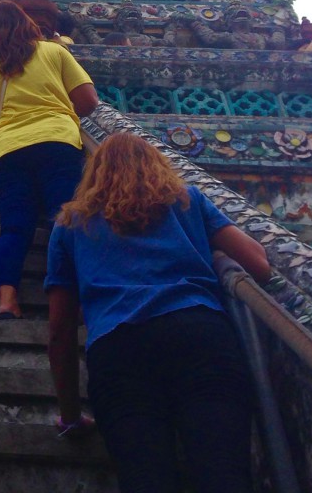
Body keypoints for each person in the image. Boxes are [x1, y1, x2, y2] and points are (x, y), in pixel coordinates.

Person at [45, 133, 271, 493]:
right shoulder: (186, 200)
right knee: (223, 473)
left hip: (118, 351)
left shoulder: (70, 223)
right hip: (199, 334)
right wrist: (208, 251)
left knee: (145, 479)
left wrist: (71, 415)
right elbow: (259, 263)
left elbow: (60, 329)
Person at [0, 0, 99, 318]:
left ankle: (7, 300)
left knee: (14, 228)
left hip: (6, 153)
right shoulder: (54, 52)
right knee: (65, 220)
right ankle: (73, 297)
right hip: (57, 143)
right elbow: (88, 101)